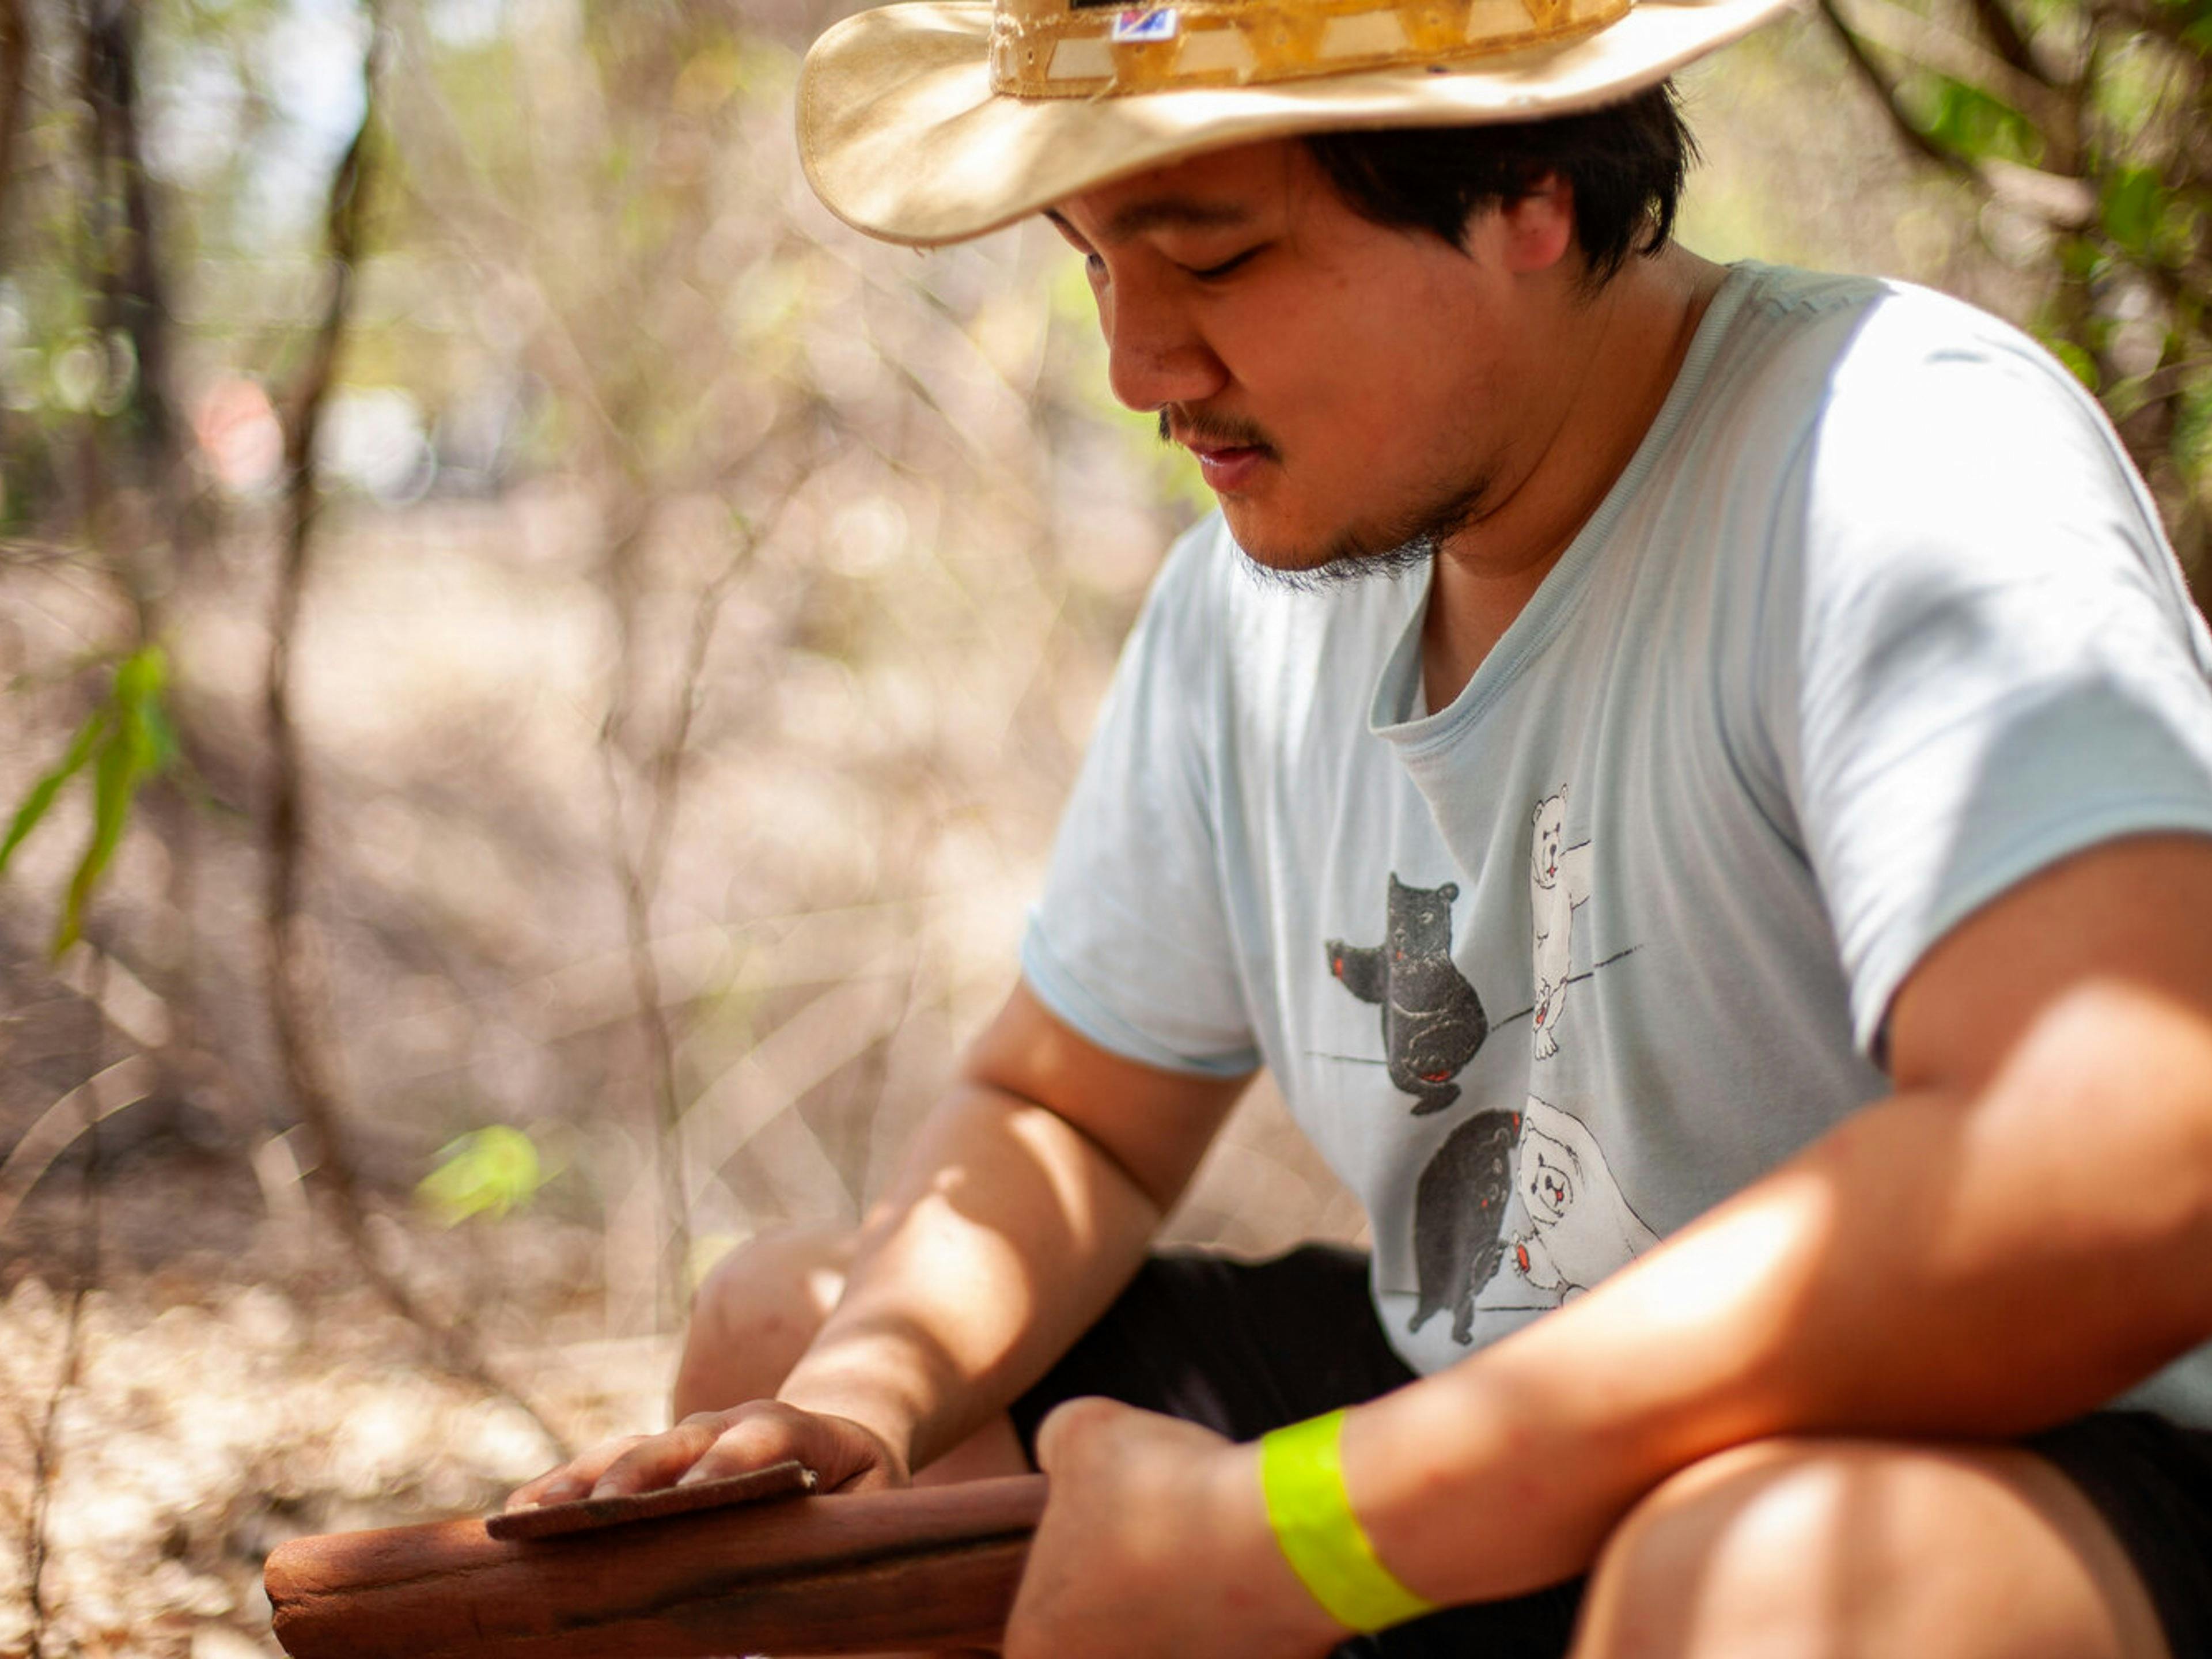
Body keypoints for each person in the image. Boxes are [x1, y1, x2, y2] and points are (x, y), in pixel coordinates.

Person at [509, 0, 2212, 1653]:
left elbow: (2130, 1155)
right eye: (1093, 260)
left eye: (1216, 257)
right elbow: (1069, 1116)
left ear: (1528, 179)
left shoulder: (1891, 458)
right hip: (1460, 1425)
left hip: (2016, 1450)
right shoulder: (1250, 615)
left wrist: (1326, 1522)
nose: (1135, 365)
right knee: (781, 1344)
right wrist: (862, 1401)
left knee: (1775, 1585)